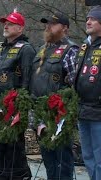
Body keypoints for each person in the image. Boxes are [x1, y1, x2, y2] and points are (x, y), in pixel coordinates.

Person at [29, 12, 78, 180]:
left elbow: (75, 85)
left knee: (62, 161)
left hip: (59, 114)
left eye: (53, 24)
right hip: (39, 112)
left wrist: (67, 111)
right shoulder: (41, 50)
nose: (48, 26)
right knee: (49, 160)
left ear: (65, 28)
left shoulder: (71, 50)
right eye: (47, 23)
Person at [0, 11, 35, 180]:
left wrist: (20, 107)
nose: (5, 26)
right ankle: (1, 175)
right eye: (4, 23)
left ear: (20, 28)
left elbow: (27, 79)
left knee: (12, 146)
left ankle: (19, 176)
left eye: (10, 24)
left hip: (12, 105)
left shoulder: (26, 49)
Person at [75, 5, 101, 180]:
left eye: (93, 18)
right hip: (83, 110)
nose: (88, 21)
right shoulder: (85, 45)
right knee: (88, 157)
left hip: (99, 112)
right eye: (87, 19)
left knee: (100, 159)